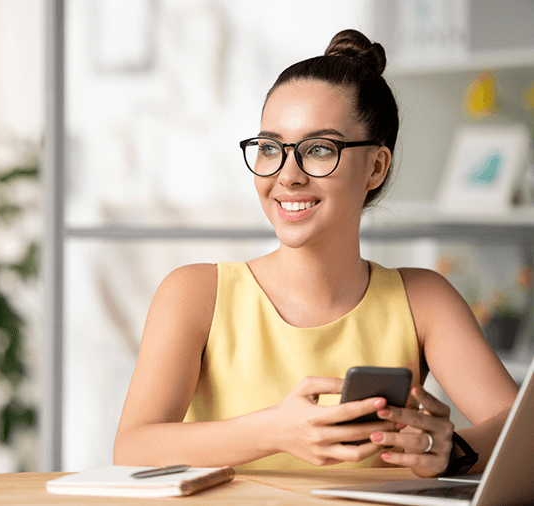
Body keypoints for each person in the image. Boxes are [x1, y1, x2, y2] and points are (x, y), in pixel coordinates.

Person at [113, 29, 518, 477]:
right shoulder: (195, 293)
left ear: (376, 167)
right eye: (270, 148)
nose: (287, 176)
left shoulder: (423, 299)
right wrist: (275, 431)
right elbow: (132, 448)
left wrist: (452, 448)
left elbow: (524, 432)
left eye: (319, 149)